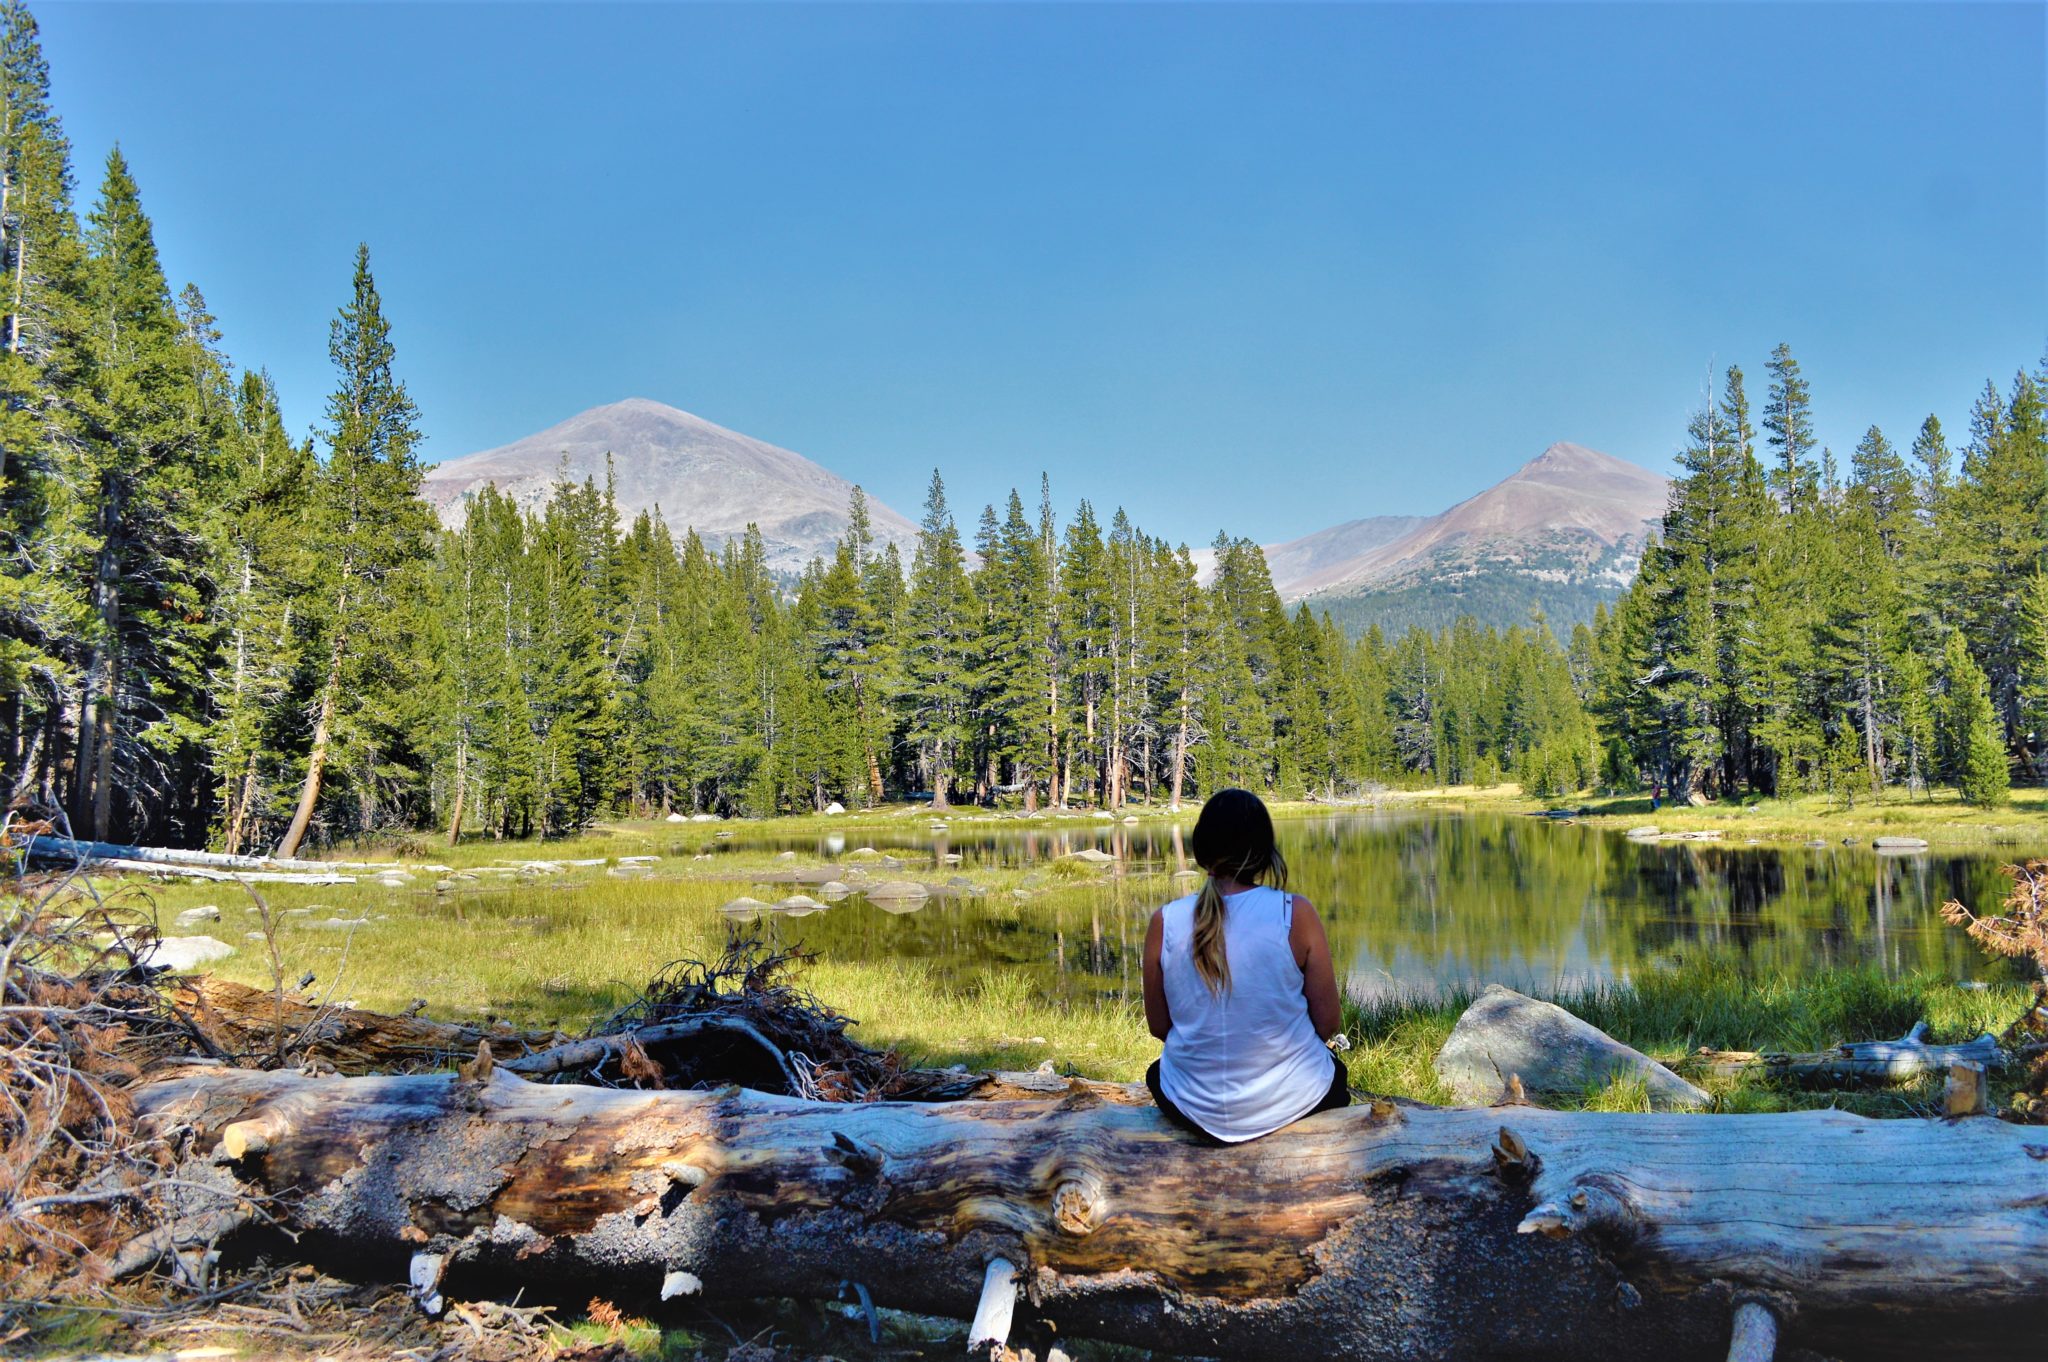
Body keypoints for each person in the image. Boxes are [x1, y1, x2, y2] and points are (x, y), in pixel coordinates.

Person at [1141, 788, 1349, 1144]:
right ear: (1264, 853)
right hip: (1294, 1099)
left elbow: (1160, 1027)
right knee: (1335, 1072)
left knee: (1156, 1072)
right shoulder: (1294, 913)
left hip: (1192, 1103)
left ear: (1201, 851)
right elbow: (1327, 1025)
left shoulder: (1165, 921)